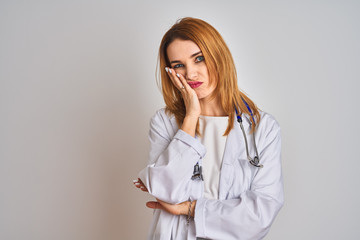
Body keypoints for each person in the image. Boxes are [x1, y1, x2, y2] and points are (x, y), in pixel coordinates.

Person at [133, 17, 284, 240]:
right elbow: (165, 191)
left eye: (199, 59)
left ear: (218, 57)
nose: (191, 74)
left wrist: (190, 209)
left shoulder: (263, 128)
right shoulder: (165, 123)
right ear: (171, 72)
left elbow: (260, 215)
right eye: (178, 65)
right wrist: (191, 116)